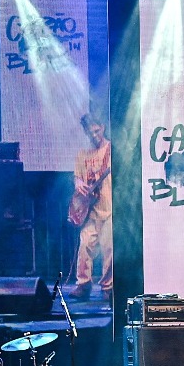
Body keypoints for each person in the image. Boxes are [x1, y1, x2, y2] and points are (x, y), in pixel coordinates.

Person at [68, 113, 113, 301]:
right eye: (90, 132)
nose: (94, 135)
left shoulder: (111, 150)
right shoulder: (82, 154)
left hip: (109, 208)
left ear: (102, 127)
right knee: (85, 245)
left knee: (108, 248)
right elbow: (77, 177)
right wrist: (78, 183)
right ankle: (83, 285)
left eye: (96, 131)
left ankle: (108, 287)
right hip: (89, 209)